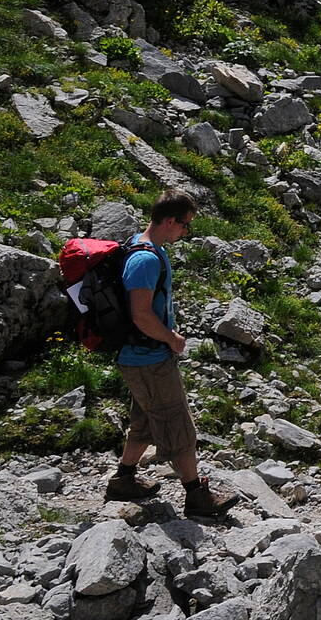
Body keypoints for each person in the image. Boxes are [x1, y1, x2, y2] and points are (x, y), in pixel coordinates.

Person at [105, 189, 238, 516]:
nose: (186, 232)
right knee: (179, 426)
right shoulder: (146, 259)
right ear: (168, 221)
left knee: (146, 420)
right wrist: (172, 339)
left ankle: (123, 480)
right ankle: (197, 497)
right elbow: (141, 314)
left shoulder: (145, 247)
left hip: (140, 356)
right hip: (147, 358)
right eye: (184, 225)